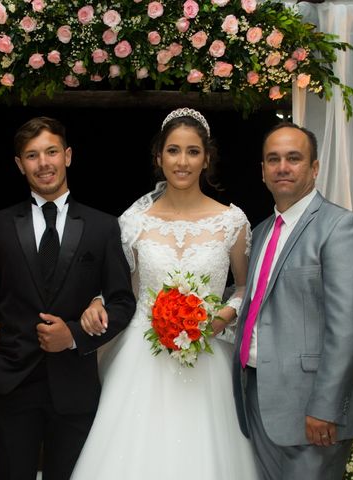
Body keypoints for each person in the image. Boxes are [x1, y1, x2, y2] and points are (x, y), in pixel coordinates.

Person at [70, 108, 259, 478]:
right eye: (173, 151)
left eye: (192, 151)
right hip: (143, 355)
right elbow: (120, 288)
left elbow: (244, 285)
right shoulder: (133, 222)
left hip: (206, 357)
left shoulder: (232, 222)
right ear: (159, 157)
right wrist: (96, 302)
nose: (182, 161)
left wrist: (223, 317)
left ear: (207, 158)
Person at [0, 117, 136, 480]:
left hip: (74, 388)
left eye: (51, 152)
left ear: (68, 156)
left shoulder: (102, 227)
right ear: (19, 164)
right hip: (11, 386)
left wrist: (75, 335)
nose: (43, 163)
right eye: (32, 155)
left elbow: (123, 302)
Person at [232, 123, 353, 479]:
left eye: (294, 158)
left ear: (314, 168)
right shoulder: (262, 231)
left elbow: (351, 329)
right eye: (274, 159)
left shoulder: (343, 228)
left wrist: (326, 407)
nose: (282, 167)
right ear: (263, 171)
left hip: (312, 408)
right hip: (257, 394)